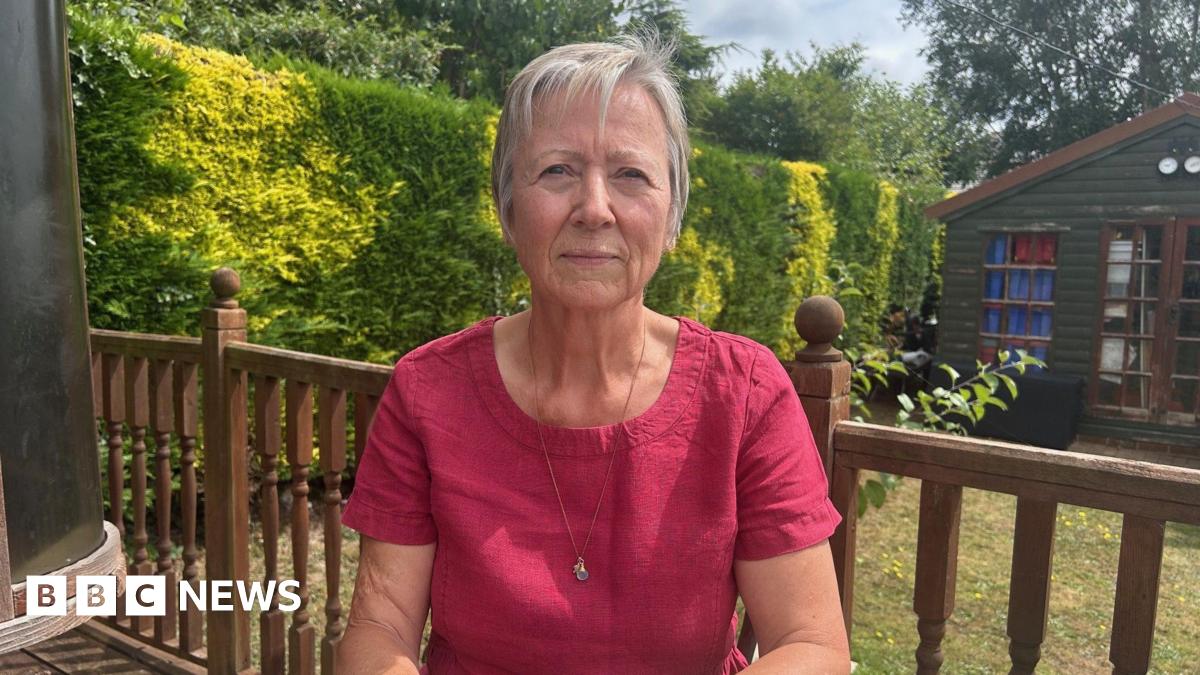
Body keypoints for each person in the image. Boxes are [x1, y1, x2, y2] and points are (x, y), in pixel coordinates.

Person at [338, 33, 849, 674]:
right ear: (508, 210)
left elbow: (811, 644)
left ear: (670, 219)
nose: (595, 209)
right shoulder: (428, 392)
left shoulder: (743, 392)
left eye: (631, 175)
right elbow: (379, 628)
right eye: (557, 171)